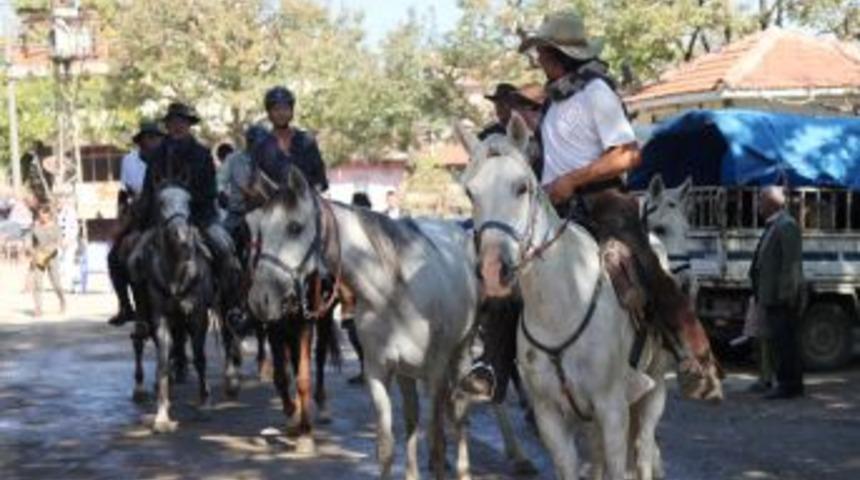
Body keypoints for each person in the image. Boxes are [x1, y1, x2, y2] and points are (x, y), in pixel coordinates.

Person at [461, 10, 719, 401]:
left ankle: (696, 359)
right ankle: (491, 367)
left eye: (542, 52)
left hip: (605, 200)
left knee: (645, 269)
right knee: (511, 272)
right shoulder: (553, 102)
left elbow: (628, 155)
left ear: (559, 54)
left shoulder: (597, 93)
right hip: (555, 206)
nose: (538, 60)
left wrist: (572, 180)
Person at [107, 121, 165, 326]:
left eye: (156, 137)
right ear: (140, 141)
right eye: (147, 137)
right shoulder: (129, 160)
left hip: (170, 210)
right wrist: (120, 220)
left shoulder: (169, 156)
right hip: (140, 214)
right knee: (114, 256)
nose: (152, 141)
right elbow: (125, 192)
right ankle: (126, 305)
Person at [749, 186, 805, 399]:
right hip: (771, 296)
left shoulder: (786, 225)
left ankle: (789, 385)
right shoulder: (774, 225)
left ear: (772, 203)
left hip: (781, 298)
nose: (758, 206)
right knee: (779, 342)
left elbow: (791, 265)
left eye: (761, 201)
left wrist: (786, 295)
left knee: (786, 343)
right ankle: (787, 383)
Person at [253, 86, 328, 192]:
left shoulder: (306, 140)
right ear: (269, 113)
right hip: (274, 204)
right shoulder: (261, 146)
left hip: (307, 201)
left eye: (285, 108)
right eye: (276, 109)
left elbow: (321, 179)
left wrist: (315, 191)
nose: (281, 113)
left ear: (292, 111)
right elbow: (256, 182)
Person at [340, 192, 372, 385]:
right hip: (352, 291)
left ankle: (372, 370)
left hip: (371, 290)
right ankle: (365, 368)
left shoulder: (376, 229)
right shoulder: (348, 232)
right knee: (354, 332)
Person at [28, 205, 66, 317]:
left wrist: (50, 250)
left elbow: (59, 242)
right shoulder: (36, 227)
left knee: (56, 283)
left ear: (49, 215)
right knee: (38, 283)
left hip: (52, 257)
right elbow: (31, 243)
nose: (41, 217)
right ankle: (38, 308)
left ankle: (62, 300)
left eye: (43, 215)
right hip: (40, 256)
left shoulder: (56, 227)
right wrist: (32, 252)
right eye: (39, 215)